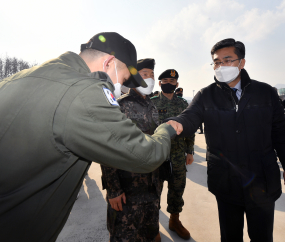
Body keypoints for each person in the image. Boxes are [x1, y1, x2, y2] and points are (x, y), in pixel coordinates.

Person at [0, 32, 178, 242]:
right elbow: (146, 155)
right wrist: (167, 130)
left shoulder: (19, 78)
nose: (120, 86)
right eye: (122, 79)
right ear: (109, 63)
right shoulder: (84, 92)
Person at [166, 38, 285, 242]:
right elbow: (190, 115)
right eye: (216, 62)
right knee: (230, 236)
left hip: (262, 180)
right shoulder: (206, 95)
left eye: (227, 60)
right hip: (226, 181)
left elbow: (281, 133)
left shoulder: (265, 93)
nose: (220, 66)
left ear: (242, 62)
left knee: (262, 236)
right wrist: (177, 122)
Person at [101, 58, 163, 242]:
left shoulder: (152, 106)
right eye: (145, 74)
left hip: (152, 187)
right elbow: (107, 148)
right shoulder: (118, 105)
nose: (150, 79)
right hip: (127, 191)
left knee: (149, 234)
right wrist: (113, 189)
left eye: (152, 75)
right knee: (124, 236)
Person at [151, 69, 195, 240]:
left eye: (172, 80)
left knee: (177, 188)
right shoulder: (152, 103)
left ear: (177, 84)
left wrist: (189, 151)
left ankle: (174, 220)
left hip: (177, 153)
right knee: (155, 189)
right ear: (160, 83)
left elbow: (190, 128)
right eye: (165, 80)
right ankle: (153, 225)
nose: (169, 83)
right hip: (157, 153)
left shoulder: (183, 104)